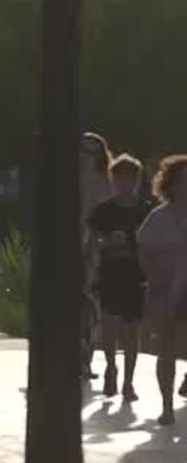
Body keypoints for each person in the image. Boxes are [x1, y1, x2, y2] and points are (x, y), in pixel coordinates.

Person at [88, 155, 150, 403]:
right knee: (110, 327)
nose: (125, 183)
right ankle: (111, 367)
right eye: (120, 178)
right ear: (113, 180)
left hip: (136, 276)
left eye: (130, 178)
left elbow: (153, 244)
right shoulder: (103, 211)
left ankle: (128, 381)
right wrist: (105, 244)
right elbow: (91, 243)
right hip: (109, 274)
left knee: (132, 331)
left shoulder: (146, 209)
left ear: (137, 180)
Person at [137, 156, 187, 425]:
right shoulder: (159, 217)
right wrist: (154, 276)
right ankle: (167, 405)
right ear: (173, 184)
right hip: (166, 290)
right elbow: (143, 250)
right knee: (166, 347)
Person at [81, 132, 115, 382]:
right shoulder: (66, 179)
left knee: (92, 306)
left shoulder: (108, 181)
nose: (84, 156)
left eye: (90, 151)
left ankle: (87, 359)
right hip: (70, 248)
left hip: (98, 251)